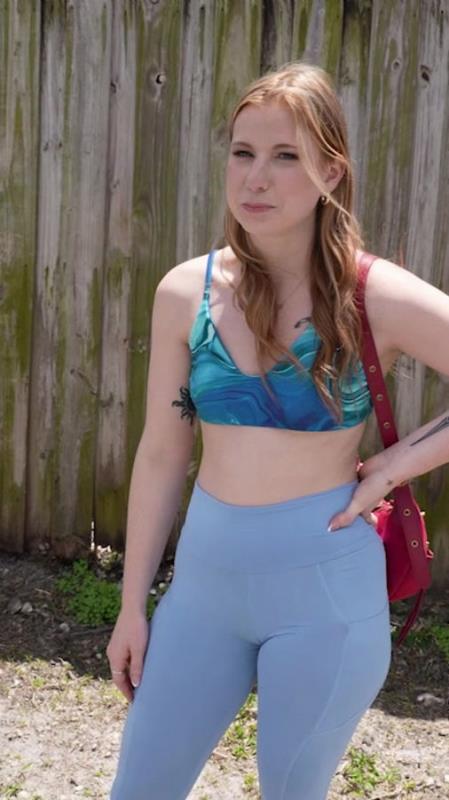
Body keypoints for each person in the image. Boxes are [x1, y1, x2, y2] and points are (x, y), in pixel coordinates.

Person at [107, 61, 449, 800]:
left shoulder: (370, 294)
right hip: (203, 593)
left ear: (331, 172)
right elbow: (161, 453)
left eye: (285, 156)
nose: (256, 178)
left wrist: (394, 467)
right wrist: (131, 607)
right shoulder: (186, 291)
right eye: (243, 152)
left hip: (325, 599)